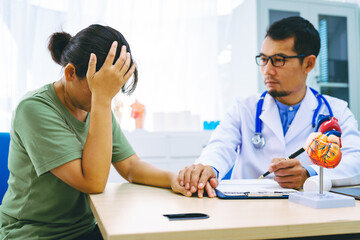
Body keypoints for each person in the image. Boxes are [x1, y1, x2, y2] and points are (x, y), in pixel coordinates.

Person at [0, 24, 186, 239]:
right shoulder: (34, 110)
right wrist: (102, 99)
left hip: (86, 228)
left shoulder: (94, 106)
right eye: (99, 88)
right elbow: (93, 183)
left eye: (111, 89)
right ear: (70, 73)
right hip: (35, 233)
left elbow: (131, 167)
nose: (107, 96)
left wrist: (174, 179)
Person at [178, 16, 360, 198]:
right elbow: (219, 146)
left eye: (279, 60)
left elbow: (356, 162)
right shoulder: (244, 108)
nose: (267, 70)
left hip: (307, 209)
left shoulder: (336, 112)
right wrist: (208, 167)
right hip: (247, 209)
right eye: (264, 59)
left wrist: (309, 173)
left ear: (309, 64)